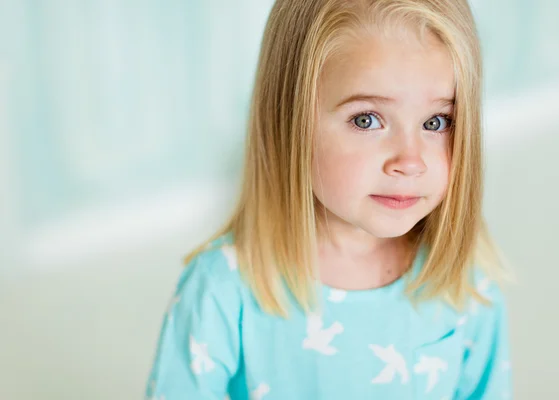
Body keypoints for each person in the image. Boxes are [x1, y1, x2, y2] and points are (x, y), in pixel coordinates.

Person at [145, 0, 513, 398]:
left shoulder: (466, 285)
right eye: (367, 119)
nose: (410, 161)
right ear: (290, 119)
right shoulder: (223, 288)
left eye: (436, 122)